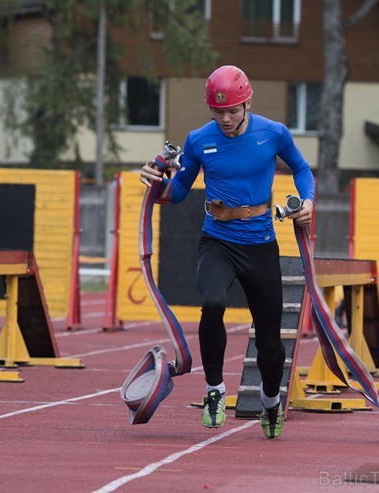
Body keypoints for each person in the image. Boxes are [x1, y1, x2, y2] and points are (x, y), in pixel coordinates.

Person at [139, 65, 315, 439]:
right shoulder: (199, 140)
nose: (225, 118)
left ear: (247, 101)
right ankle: (215, 392)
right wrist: (156, 183)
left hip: (260, 245)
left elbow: (302, 168)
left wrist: (308, 201)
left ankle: (270, 402)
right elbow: (179, 191)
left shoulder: (274, 133)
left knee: (269, 342)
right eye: (217, 111)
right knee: (213, 302)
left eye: (232, 110)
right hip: (216, 240)